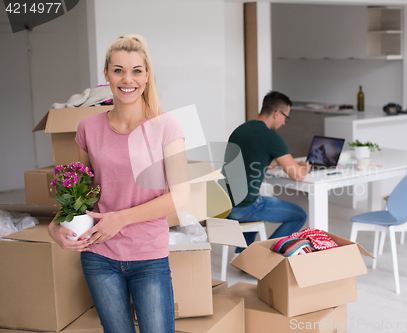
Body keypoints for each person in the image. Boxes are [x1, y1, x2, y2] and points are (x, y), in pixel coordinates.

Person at [48, 34, 189, 333]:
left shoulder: (167, 126)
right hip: (99, 257)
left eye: (137, 70)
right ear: (107, 75)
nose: (128, 79)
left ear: (147, 75)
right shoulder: (88, 127)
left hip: (148, 256)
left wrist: (119, 219)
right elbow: (81, 193)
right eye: (118, 70)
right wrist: (54, 227)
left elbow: (180, 196)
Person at [224, 91, 310, 254]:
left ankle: (243, 255)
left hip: (225, 203)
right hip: (245, 206)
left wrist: (279, 161)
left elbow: (254, 160)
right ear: (277, 113)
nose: (284, 122)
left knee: (256, 203)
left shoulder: (241, 130)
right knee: (299, 215)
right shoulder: (270, 137)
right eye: (286, 117)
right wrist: (304, 166)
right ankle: (268, 255)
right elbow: (298, 175)